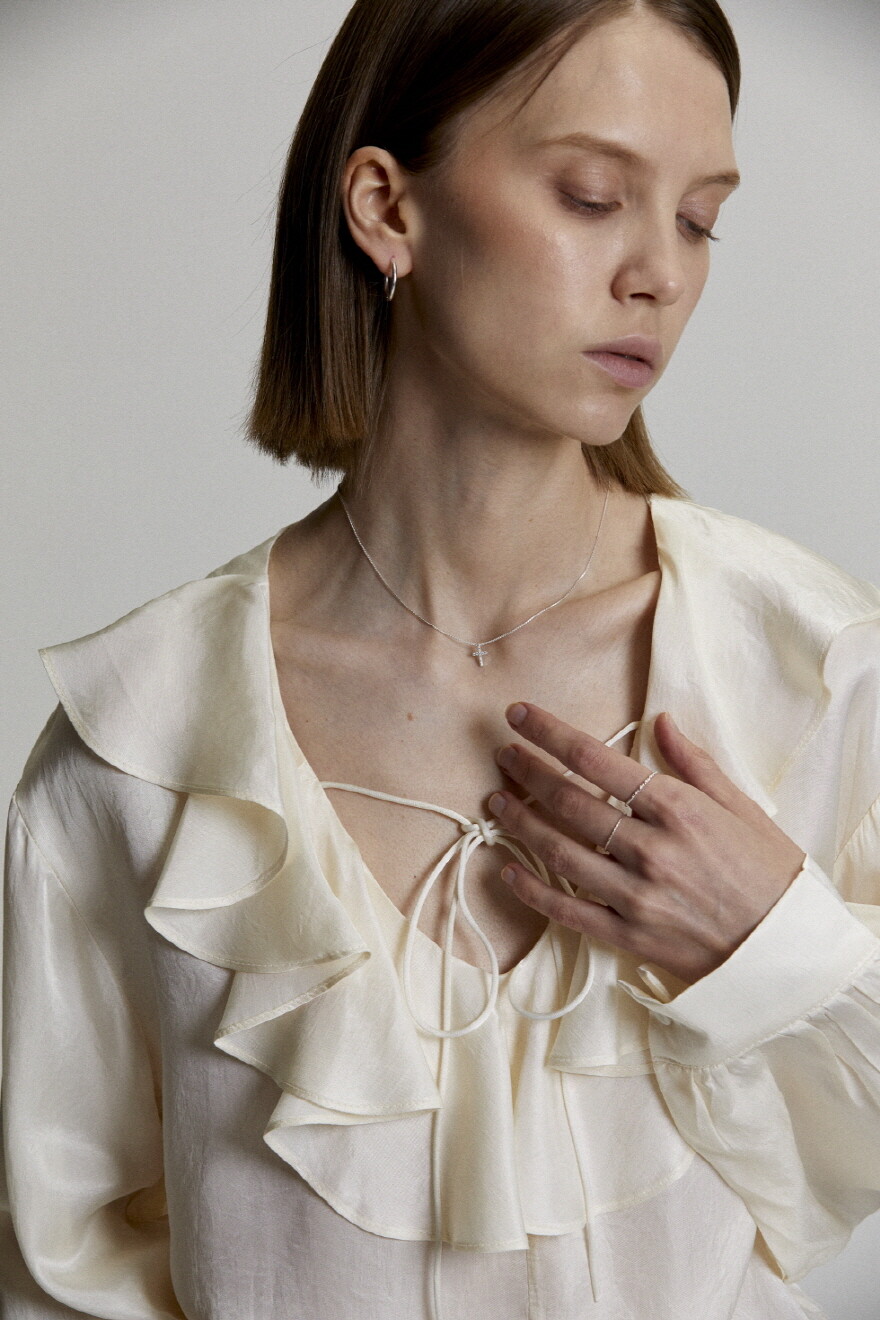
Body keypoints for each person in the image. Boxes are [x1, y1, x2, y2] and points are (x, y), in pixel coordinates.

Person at [3, 0, 880, 1317]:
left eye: (702, 219)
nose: (661, 272)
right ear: (386, 207)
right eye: (593, 197)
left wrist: (773, 942)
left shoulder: (808, 675)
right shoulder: (143, 740)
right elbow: (61, 1268)